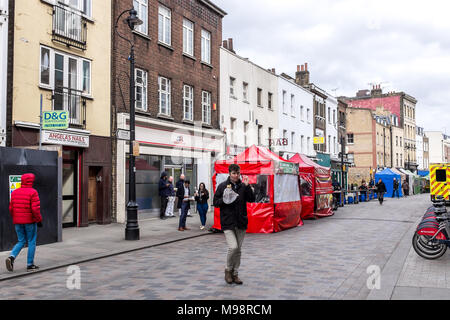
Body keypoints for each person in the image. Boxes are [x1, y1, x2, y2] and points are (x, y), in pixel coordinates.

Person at [213, 164, 255, 285]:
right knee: (233, 247)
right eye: (233, 173)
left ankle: (235, 274)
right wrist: (225, 199)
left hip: (241, 221)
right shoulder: (222, 186)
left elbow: (251, 199)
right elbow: (216, 202)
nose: (236, 175)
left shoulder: (243, 186)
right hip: (228, 222)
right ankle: (228, 270)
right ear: (229, 173)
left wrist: (248, 187)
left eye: (237, 173)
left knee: (238, 250)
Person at [6, 173, 43, 272]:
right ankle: (30, 264)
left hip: (18, 221)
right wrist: (39, 220)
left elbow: (11, 208)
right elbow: (35, 209)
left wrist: (16, 217)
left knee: (21, 241)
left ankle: (12, 257)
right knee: (31, 241)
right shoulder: (33, 192)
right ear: (31, 181)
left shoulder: (15, 192)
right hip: (30, 221)